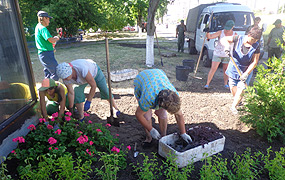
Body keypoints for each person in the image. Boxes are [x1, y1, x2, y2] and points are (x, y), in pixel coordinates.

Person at [134, 69, 192, 147]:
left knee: (163, 114)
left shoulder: (174, 95)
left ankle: (163, 137)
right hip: (142, 79)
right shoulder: (148, 97)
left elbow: (179, 115)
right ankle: (149, 138)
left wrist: (183, 133)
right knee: (147, 116)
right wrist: (151, 129)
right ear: (161, 104)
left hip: (158, 75)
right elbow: (138, 115)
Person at [56, 59, 120, 121]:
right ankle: (81, 116)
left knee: (105, 91)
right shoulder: (66, 79)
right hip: (81, 81)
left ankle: (115, 108)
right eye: (64, 78)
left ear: (71, 71)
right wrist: (71, 107)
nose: (65, 79)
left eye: (66, 77)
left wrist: (89, 101)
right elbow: (71, 93)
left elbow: (93, 85)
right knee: (77, 92)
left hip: (95, 73)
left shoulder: (82, 69)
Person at [221, 27, 263, 114]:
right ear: (248, 35)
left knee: (241, 88)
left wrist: (246, 74)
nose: (253, 42)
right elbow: (224, 39)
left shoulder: (256, 46)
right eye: (252, 39)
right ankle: (238, 101)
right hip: (234, 66)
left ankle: (233, 106)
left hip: (246, 69)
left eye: (256, 40)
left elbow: (254, 62)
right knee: (233, 87)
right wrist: (227, 47)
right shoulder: (238, 38)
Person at [204, 20, 235, 89]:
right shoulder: (220, 32)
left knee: (226, 70)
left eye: (228, 29)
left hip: (227, 54)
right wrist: (207, 32)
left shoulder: (234, 34)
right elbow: (210, 37)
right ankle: (207, 84)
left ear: (232, 27)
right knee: (213, 68)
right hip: (218, 53)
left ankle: (225, 84)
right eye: (226, 28)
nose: (226, 30)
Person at [35, 11, 60, 80]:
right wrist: (56, 38)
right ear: (44, 18)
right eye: (48, 19)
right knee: (56, 72)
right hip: (46, 54)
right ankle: (53, 90)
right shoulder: (43, 28)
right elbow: (51, 40)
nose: (49, 21)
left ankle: (46, 89)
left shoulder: (38, 27)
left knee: (48, 74)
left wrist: (51, 48)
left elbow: (44, 42)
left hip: (43, 54)